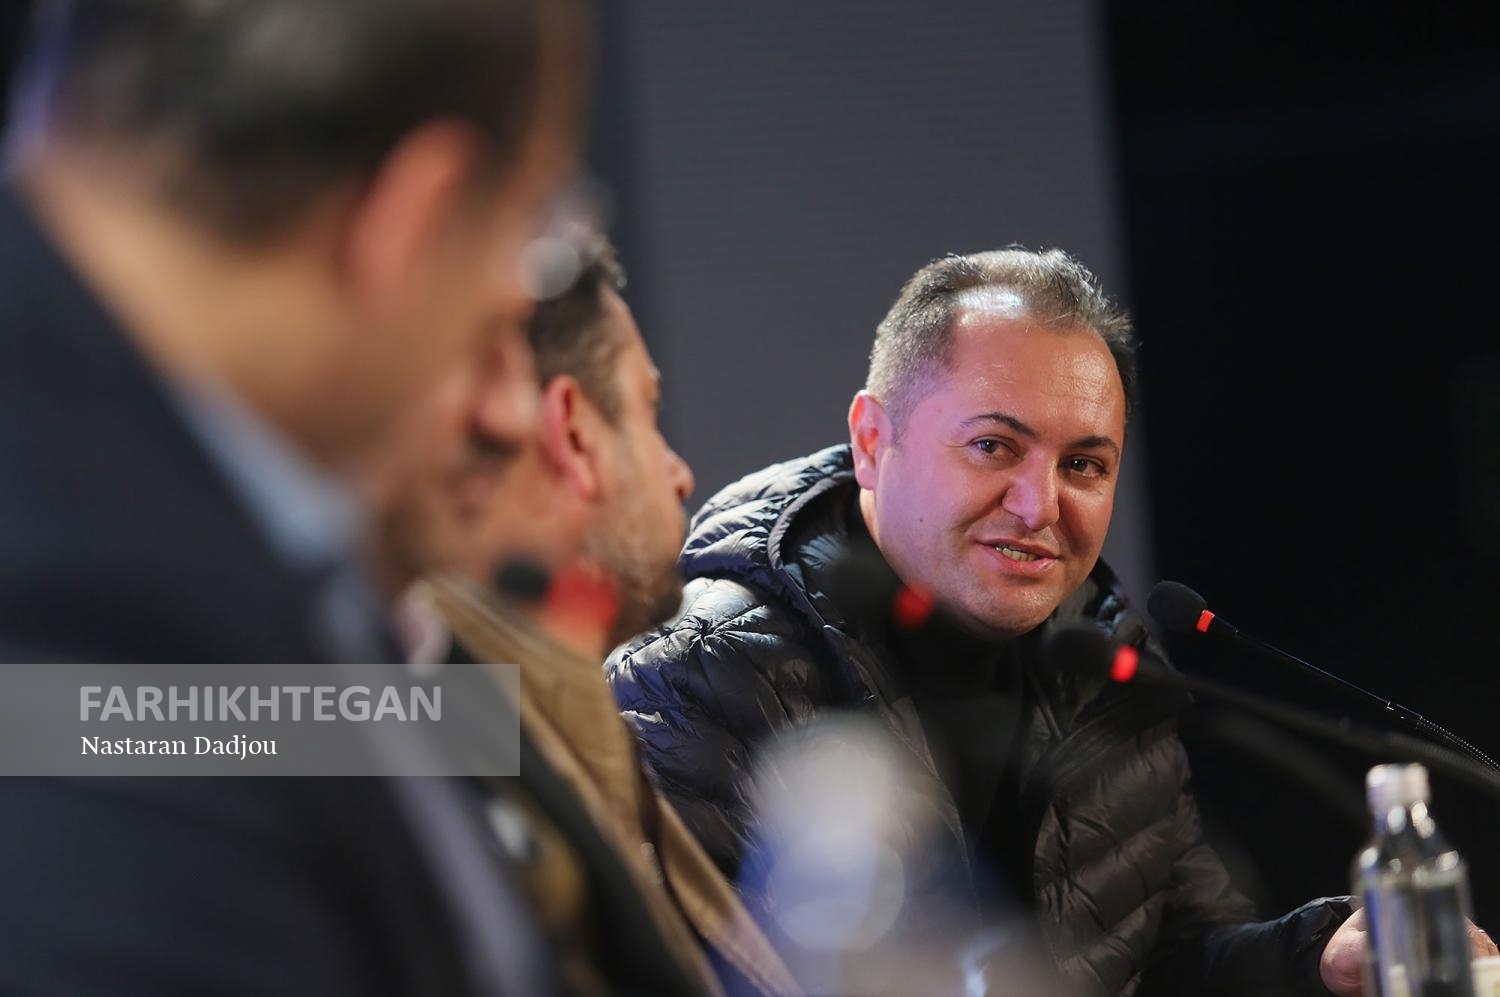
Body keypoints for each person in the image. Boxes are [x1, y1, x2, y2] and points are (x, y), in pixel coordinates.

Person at [605, 247, 1484, 995]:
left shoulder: (1104, 662)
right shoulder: (702, 673)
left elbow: (1169, 959)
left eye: (1085, 464)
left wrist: (1311, 959)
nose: (1039, 505)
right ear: (874, 441)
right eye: (995, 446)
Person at [0, 1, 588, 993]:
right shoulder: (92, 637)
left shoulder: (182, 524)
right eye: (530, 228)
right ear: (415, 214)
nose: (509, 407)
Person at [378, 234, 800, 996]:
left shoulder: (557, 724)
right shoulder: (394, 719)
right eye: (647, 409)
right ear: (574, 433)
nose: (680, 472)